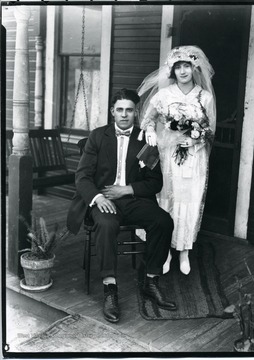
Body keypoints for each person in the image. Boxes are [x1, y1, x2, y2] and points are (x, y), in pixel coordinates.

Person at [66, 88, 177, 324]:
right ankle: (110, 289)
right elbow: (82, 176)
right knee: (106, 224)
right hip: (102, 199)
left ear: (136, 113)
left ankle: (151, 280)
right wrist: (99, 198)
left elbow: (155, 182)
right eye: (120, 110)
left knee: (163, 221)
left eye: (129, 110)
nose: (124, 115)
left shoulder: (146, 140)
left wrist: (126, 189)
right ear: (112, 112)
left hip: (133, 199)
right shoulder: (97, 137)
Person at [137, 46, 216, 275]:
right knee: (167, 200)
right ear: (172, 70)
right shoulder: (164, 95)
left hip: (193, 158)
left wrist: (195, 141)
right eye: (178, 67)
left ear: (194, 68)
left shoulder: (205, 97)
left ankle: (184, 252)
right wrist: (151, 130)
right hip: (168, 157)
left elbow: (209, 130)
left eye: (187, 66)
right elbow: (147, 120)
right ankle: (166, 252)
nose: (183, 71)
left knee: (188, 202)